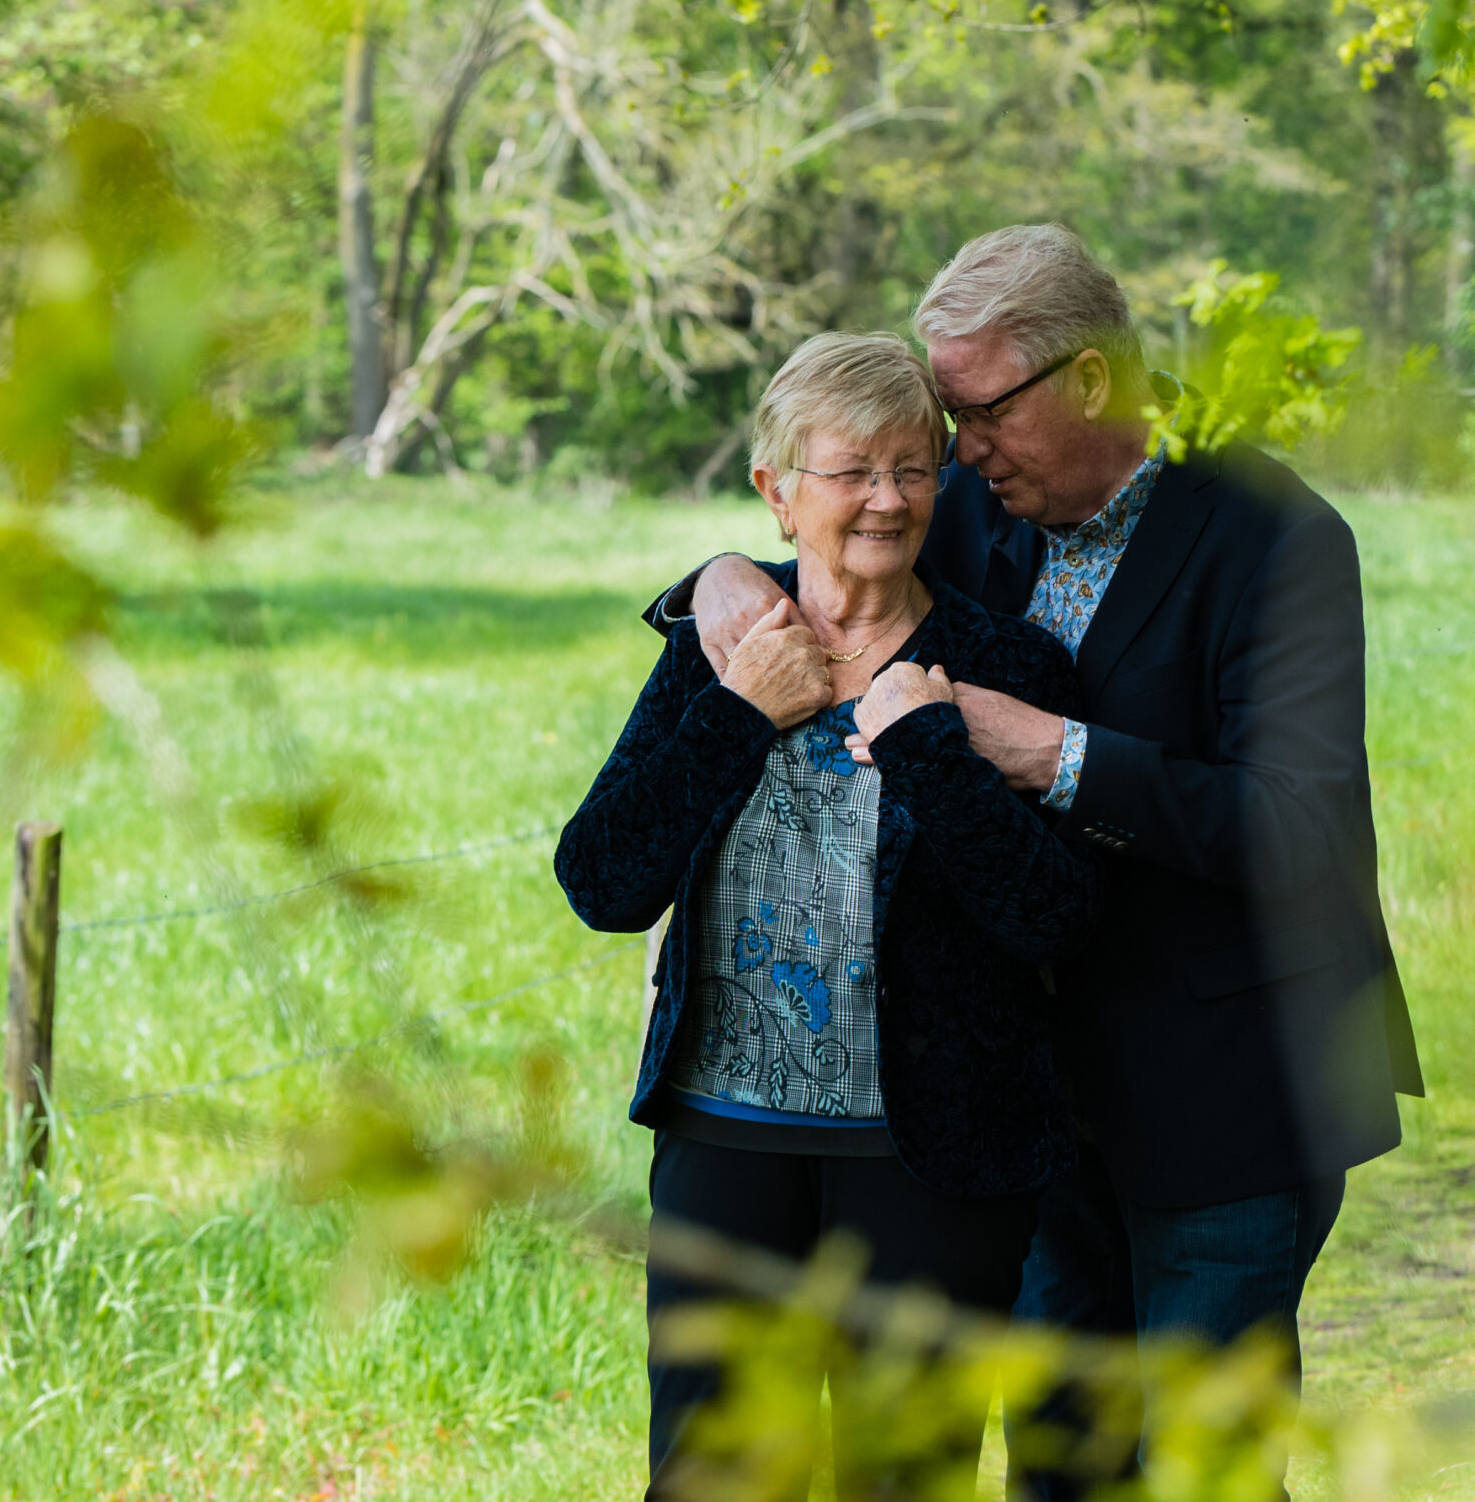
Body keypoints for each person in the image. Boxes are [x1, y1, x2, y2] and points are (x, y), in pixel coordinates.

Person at [649, 225, 1423, 1495]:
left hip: (1229, 1085)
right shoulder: (972, 508)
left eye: (975, 413)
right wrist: (720, 578)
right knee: (1060, 1464)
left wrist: (1056, 751)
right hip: (1025, 1105)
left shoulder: (1274, 538)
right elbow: (828, 527)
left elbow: (1298, 825)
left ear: (1091, 381)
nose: (953, 453)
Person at [554, 331, 1100, 1498]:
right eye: (852, 469)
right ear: (777, 490)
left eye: (913, 467)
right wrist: (739, 712)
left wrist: (931, 748)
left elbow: (1054, 919)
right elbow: (601, 879)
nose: (888, 499)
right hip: (724, 1141)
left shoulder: (1003, 661)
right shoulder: (718, 650)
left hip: (933, 1156)